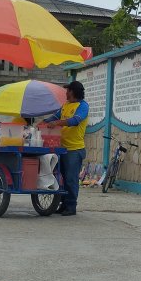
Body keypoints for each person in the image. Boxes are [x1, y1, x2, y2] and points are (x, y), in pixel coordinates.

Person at [44, 81, 89, 216]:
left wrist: (57, 123)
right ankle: (63, 204)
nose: (66, 93)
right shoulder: (65, 106)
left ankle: (71, 206)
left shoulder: (83, 106)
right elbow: (54, 117)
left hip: (74, 150)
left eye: (68, 90)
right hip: (61, 149)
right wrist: (42, 122)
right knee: (61, 178)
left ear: (73, 92)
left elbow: (75, 121)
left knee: (71, 179)